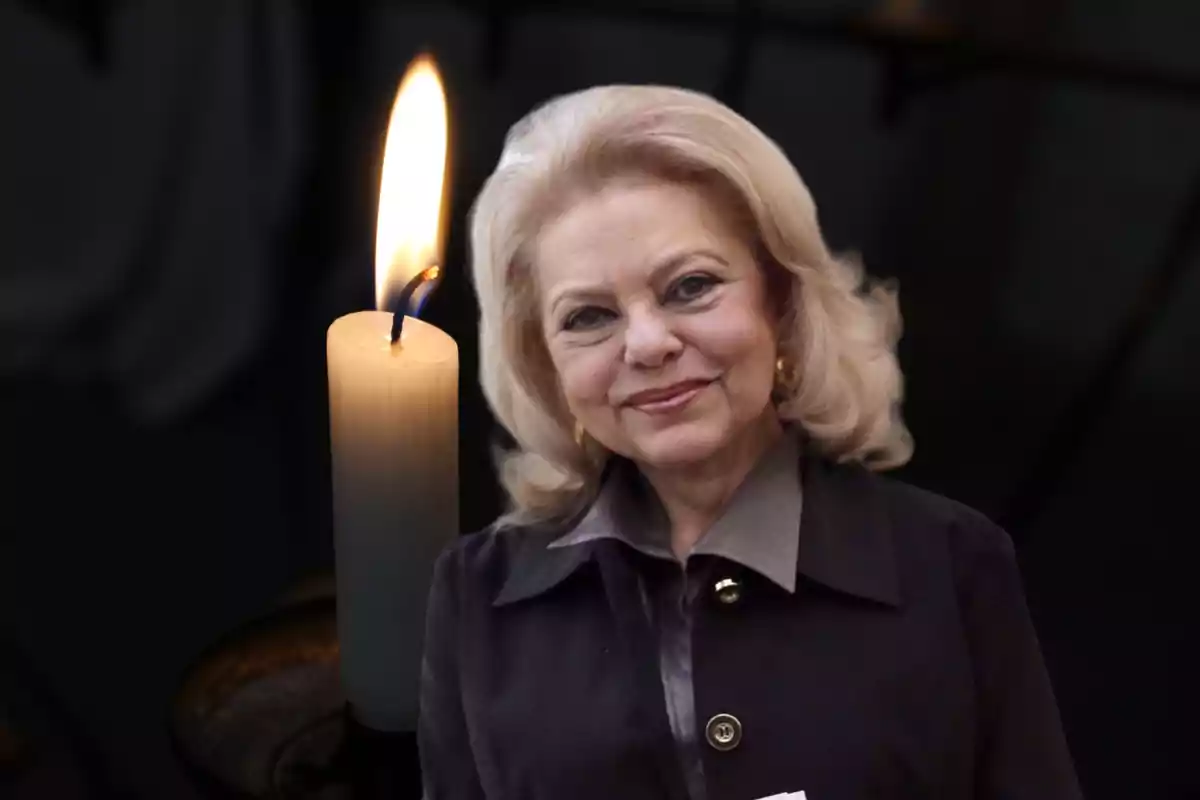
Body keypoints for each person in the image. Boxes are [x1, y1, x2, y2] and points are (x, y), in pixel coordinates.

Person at [418, 84, 1082, 800]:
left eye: (691, 286)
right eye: (587, 317)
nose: (647, 343)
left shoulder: (951, 563)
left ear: (781, 301)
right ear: (544, 363)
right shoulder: (476, 593)